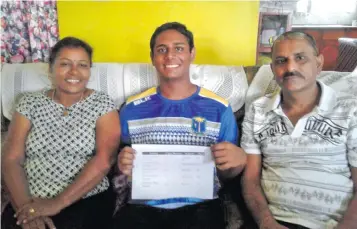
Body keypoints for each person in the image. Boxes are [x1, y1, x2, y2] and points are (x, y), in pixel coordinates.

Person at [112, 22, 246, 229]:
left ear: (192, 53)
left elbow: (226, 173)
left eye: (179, 48)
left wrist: (238, 162)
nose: (170, 55)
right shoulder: (131, 108)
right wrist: (121, 165)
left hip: (200, 207)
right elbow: (118, 163)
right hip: (142, 208)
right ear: (152, 57)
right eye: (162, 49)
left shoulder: (219, 108)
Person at [1, 37, 121, 229]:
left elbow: (104, 159)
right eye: (65, 64)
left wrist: (56, 204)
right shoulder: (29, 103)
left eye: (82, 65)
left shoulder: (102, 104)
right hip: (29, 199)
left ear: (89, 70)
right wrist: (27, 210)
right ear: (51, 68)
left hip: (84, 198)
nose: (74, 71)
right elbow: (11, 158)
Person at [241, 31, 357, 229]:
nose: (290, 67)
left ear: (318, 63)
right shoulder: (258, 110)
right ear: (272, 69)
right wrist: (266, 222)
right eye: (281, 61)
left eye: (300, 58)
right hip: (273, 222)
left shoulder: (350, 110)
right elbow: (250, 179)